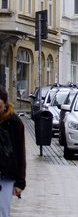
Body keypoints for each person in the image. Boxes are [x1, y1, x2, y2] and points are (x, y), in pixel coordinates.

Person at [0, 87, 26, 217]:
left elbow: (20, 153)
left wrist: (20, 182)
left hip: (6, 175)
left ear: (5, 104)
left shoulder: (15, 123)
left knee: (2, 209)